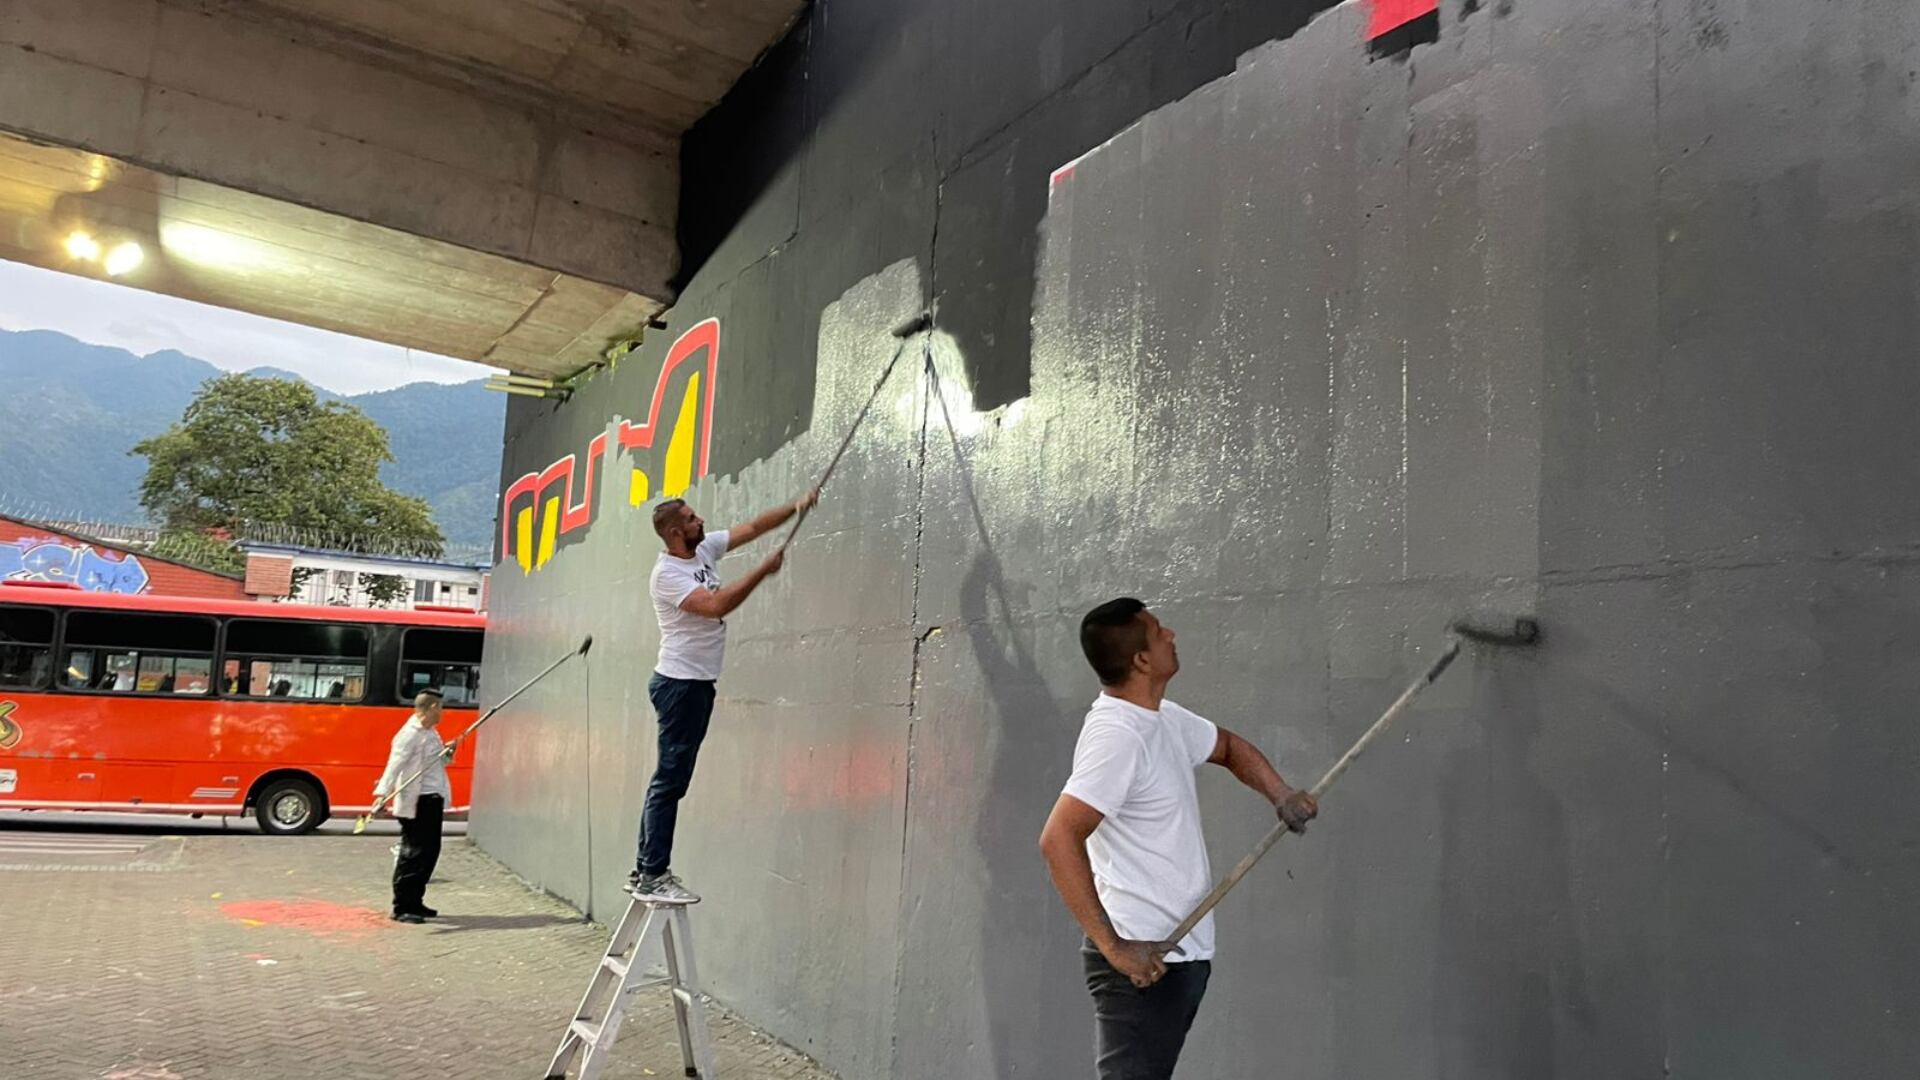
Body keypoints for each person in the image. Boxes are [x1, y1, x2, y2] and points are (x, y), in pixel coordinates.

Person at [1038, 598, 1320, 1080]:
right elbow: (1058, 837)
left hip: (1179, 955)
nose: (1171, 634)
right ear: (1142, 660)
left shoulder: (1160, 718)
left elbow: (1228, 747)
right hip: (1142, 962)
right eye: (1158, 631)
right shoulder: (1117, 736)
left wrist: (1280, 794)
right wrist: (1114, 947)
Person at [628, 489, 818, 904]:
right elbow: (714, 606)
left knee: (668, 781)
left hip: (694, 683)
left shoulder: (703, 548)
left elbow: (751, 528)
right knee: (670, 783)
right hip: (681, 685)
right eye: (694, 519)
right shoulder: (667, 575)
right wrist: (761, 572)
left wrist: (796, 505)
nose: (703, 522)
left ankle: (645, 865)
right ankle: (653, 873)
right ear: (677, 532)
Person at [373, 688, 450, 924]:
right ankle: (402, 906)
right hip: (416, 802)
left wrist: (449, 752)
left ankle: (416, 901)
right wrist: (381, 795)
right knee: (413, 854)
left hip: (432, 799)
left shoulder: (432, 733)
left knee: (429, 853)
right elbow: (393, 765)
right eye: (441, 708)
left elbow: (438, 762)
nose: (443, 714)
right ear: (433, 707)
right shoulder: (409, 734)